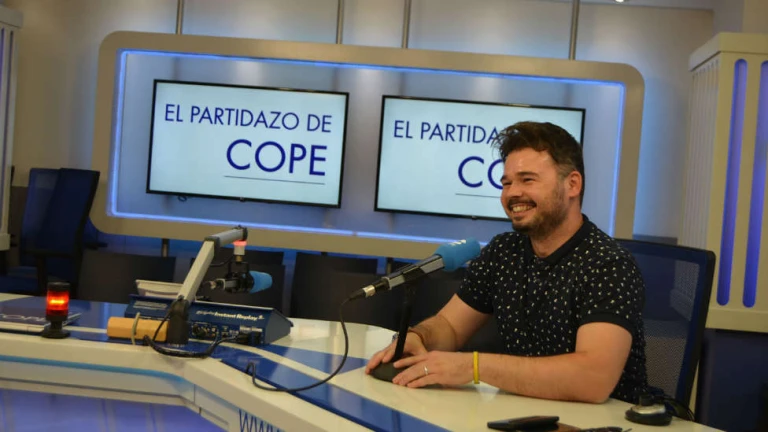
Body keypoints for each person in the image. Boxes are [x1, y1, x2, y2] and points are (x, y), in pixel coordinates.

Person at [365, 121, 648, 404]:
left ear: (572, 184)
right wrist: (419, 338)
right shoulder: (503, 251)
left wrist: (473, 367)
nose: (512, 193)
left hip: (602, 420)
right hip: (522, 413)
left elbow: (593, 380)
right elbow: (449, 326)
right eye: (507, 183)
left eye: (528, 180)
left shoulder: (609, 265)